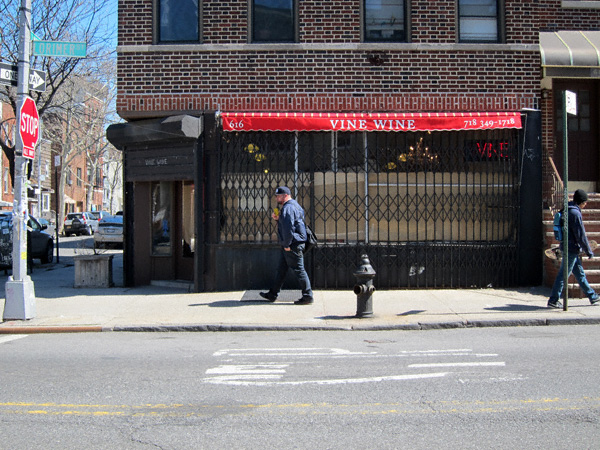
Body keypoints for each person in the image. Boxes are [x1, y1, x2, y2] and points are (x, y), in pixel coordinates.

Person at [260, 186, 314, 305]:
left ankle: (308, 295)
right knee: (281, 270)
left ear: (285, 195)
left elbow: (288, 229)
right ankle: (273, 293)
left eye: (278, 196)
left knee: (299, 270)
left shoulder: (287, 208)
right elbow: (293, 223)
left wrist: (286, 244)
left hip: (292, 244)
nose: (276, 198)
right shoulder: (295, 205)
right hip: (294, 242)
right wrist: (279, 219)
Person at [548, 189, 600, 308]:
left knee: (580, 274)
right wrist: (588, 251)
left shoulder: (567, 210)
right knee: (563, 275)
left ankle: (592, 296)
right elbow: (580, 235)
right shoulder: (575, 214)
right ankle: (553, 300)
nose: (585, 204)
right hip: (571, 248)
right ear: (581, 202)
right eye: (585, 202)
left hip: (568, 246)